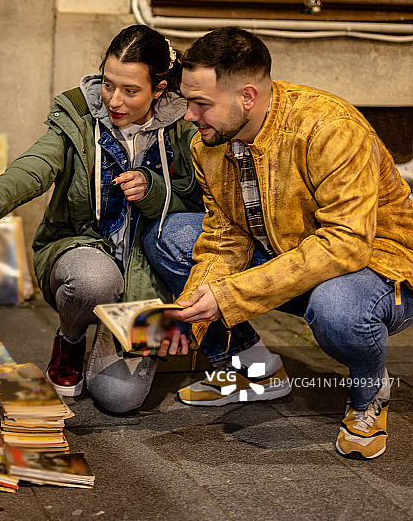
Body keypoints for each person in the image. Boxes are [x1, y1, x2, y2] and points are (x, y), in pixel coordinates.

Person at [145, 27, 413, 459]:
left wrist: (229, 296)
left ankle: (369, 395)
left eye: (201, 104)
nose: (189, 116)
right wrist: (188, 317)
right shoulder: (209, 144)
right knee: (169, 236)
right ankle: (254, 370)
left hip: (380, 266)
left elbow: (346, 243)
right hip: (290, 253)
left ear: (247, 97)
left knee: (338, 308)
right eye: (186, 101)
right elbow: (224, 236)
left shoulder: (330, 128)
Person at [0, 25, 204, 412]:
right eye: (108, 84)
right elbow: (28, 172)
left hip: (147, 277)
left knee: (119, 399)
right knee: (93, 281)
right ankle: (71, 337)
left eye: (130, 91)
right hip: (84, 250)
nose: (114, 100)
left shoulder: (187, 126)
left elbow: (200, 211)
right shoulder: (78, 115)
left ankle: (118, 335)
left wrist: (154, 190)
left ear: (160, 89)